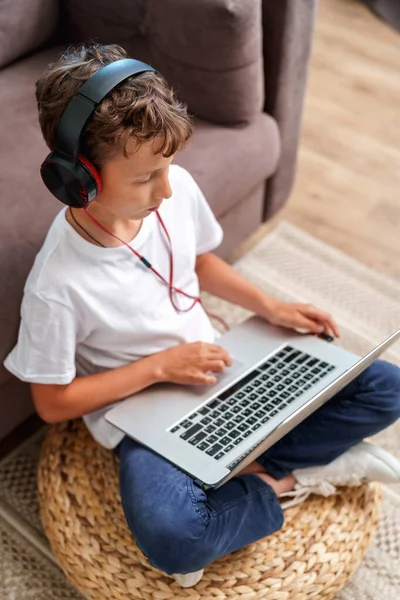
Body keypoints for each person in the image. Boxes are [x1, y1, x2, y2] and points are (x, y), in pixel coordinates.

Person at [4, 43, 400, 588]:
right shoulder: (57, 285)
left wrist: (270, 306)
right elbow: (52, 403)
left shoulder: (174, 190)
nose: (166, 190)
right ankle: (290, 477)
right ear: (81, 179)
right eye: (145, 179)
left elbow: (199, 260)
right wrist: (160, 367)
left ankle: (262, 468)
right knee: (173, 537)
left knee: (385, 386)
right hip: (146, 415)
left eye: (168, 169)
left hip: (222, 362)